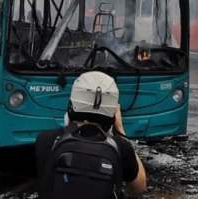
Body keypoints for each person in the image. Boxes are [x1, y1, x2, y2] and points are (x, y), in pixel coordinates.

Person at [35, 71, 147, 199]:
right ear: (113, 113)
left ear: (71, 106)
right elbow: (139, 187)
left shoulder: (46, 140)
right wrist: (121, 131)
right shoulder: (120, 146)